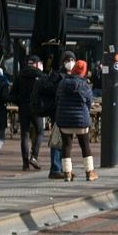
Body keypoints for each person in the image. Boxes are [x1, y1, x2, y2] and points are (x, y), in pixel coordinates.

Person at [33, 51, 74, 179]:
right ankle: (55, 168)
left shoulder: (73, 75)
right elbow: (48, 89)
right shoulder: (57, 75)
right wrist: (60, 87)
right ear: (63, 62)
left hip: (68, 112)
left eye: (72, 60)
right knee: (57, 140)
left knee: (66, 142)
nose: (70, 62)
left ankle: (63, 168)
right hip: (58, 112)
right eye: (68, 60)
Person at [55, 59, 97, 182]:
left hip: (64, 119)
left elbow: (57, 99)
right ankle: (89, 172)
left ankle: (67, 173)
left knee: (66, 146)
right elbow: (89, 101)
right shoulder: (85, 85)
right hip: (81, 120)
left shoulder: (63, 83)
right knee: (85, 145)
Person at [10, 55, 44, 172]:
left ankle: (25, 163)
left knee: (24, 134)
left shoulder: (20, 76)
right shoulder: (40, 75)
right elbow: (45, 92)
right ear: (36, 64)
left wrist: (19, 102)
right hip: (36, 109)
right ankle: (34, 156)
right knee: (40, 132)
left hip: (23, 108)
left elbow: (13, 94)